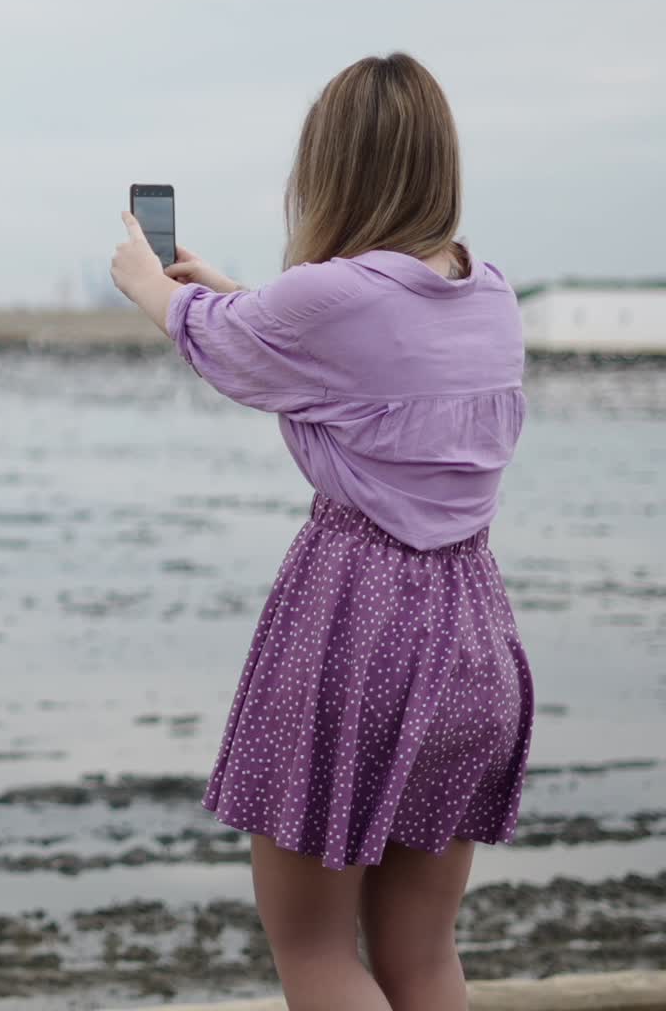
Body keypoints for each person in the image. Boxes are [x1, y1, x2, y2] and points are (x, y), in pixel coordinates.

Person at [111, 51, 535, 1011]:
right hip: (474, 641)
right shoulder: (493, 293)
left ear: (334, 167)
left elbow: (238, 338)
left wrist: (147, 278)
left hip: (358, 629)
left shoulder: (329, 297)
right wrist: (225, 291)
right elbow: (342, 358)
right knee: (423, 957)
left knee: (313, 952)